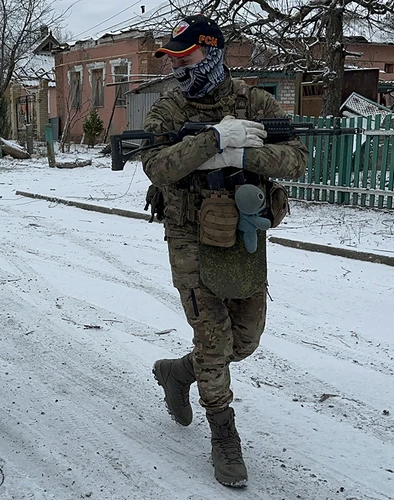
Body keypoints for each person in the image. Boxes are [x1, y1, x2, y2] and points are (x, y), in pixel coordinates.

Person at [143, 15, 309, 488]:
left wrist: (243, 155)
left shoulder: (253, 100)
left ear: (211, 52)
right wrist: (212, 141)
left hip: (241, 235)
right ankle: (223, 433)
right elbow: (158, 166)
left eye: (186, 56)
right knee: (213, 337)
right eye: (173, 58)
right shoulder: (169, 110)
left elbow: (296, 156)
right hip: (190, 235)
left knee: (245, 339)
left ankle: (179, 372)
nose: (178, 67)